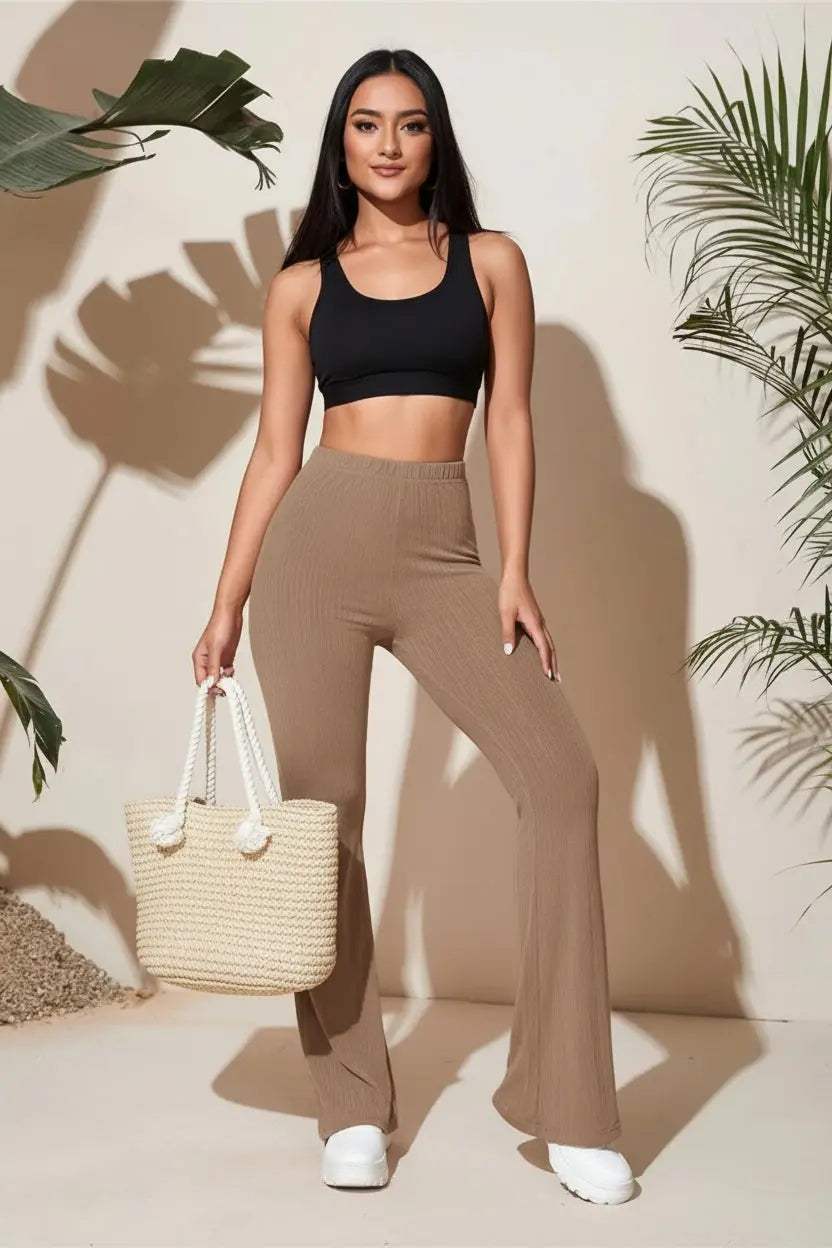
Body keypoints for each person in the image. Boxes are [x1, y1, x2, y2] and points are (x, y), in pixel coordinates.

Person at [191, 47, 635, 1205]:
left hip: (445, 552)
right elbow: (274, 451)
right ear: (339, 144)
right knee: (325, 821)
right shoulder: (300, 285)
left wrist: (514, 571)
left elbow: (513, 424)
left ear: (437, 141)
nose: (389, 143)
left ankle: (572, 1111)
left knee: (562, 777)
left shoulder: (491, 263)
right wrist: (226, 599)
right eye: (366, 124)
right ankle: (350, 1107)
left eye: (412, 123)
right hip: (315, 551)